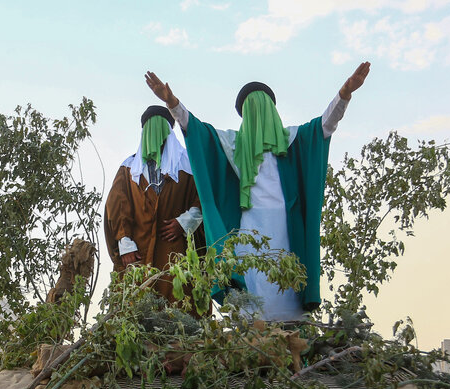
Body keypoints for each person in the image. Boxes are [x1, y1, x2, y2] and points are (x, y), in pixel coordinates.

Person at [145, 63, 370, 321]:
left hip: (286, 229)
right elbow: (195, 129)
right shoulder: (232, 144)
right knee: (253, 297)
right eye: (250, 108)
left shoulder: (292, 139)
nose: (258, 113)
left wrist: (344, 94)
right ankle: (251, 344)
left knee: (287, 287)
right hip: (249, 233)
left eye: (262, 105)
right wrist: (172, 103)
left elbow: (325, 126)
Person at [104, 105, 204, 305]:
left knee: (179, 307)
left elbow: (202, 199)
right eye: (149, 127)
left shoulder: (188, 163)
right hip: (137, 253)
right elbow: (117, 207)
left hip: (176, 253)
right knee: (135, 310)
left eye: (159, 126)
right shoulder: (129, 168)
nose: (154, 133)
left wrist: (184, 222)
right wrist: (125, 244)